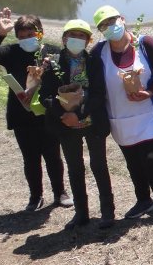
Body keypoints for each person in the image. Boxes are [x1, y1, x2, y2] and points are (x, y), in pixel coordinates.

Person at [89, 5, 153, 226]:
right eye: (104, 25)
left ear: (122, 19)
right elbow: (94, 85)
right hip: (119, 117)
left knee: (150, 159)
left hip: (147, 115)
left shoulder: (144, 43)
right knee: (132, 162)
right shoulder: (99, 52)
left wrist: (150, 91)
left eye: (112, 21)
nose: (110, 27)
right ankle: (144, 200)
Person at [0, 8, 72, 211]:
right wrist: (1, 32)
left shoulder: (52, 52)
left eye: (31, 35)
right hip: (21, 114)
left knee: (53, 156)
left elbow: (64, 77)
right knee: (30, 158)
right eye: (21, 36)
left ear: (40, 32)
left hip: (48, 113)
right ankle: (35, 196)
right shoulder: (11, 52)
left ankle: (60, 193)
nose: (26, 39)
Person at [39, 19, 115, 230]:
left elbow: (99, 94)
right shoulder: (53, 63)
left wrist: (80, 114)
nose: (77, 39)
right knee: (75, 168)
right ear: (64, 39)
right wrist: (63, 114)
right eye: (72, 35)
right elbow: (45, 96)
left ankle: (108, 211)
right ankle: (81, 213)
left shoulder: (94, 61)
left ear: (88, 40)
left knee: (99, 165)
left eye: (82, 36)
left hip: (92, 121)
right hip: (65, 124)